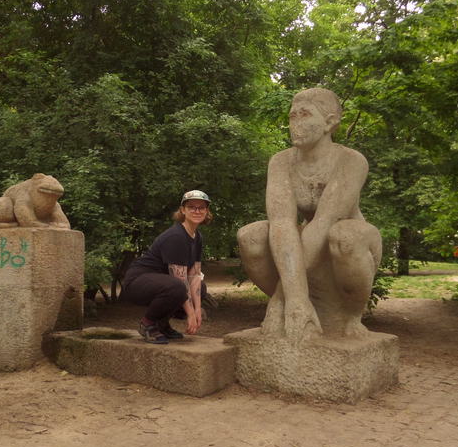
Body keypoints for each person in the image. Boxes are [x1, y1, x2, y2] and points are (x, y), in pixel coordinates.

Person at [238, 88, 382, 339]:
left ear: (330, 122)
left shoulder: (351, 161)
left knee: (345, 236)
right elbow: (281, 222)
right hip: (304, 243)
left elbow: (327, 220)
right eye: (292, 116)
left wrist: (287, 298)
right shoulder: (281, 162)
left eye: (304, 115)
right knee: (250, 237)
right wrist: (295, 297)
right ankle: (296, 306)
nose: (295, 123)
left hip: (348, 243)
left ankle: (351, 316)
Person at [122, 190, 211, 344]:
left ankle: (162, 324)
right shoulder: (176, 236)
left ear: (206, 211)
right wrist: (190, 314)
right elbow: (181, 280)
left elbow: (194, 275)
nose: (197, 211)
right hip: (137, 283)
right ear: (183, 210)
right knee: (177, 287)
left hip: (164, 283)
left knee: (200, 287)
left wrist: (197, 310)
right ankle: (148, 323)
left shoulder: (197, 237)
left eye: (201, 207)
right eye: (191, 207)